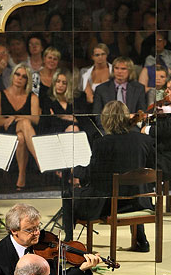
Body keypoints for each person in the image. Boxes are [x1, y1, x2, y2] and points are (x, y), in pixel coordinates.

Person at [62, 100, 155, 252]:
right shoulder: (144, 140)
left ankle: (69, 242)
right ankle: (141, 239)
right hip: (139, 201)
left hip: (109, 205)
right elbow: (150, 170)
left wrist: (76, 171)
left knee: (68, 194)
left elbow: (93, 176)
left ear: (106, 120)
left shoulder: (103, 143)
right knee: (133, 188)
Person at [0, 63, 40, 190]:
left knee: (21, 137)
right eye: (17, 74)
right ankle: (40, 159)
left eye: (24, 77)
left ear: (27, 80)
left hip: (23, 133)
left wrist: (16, 117)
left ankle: (21, 176)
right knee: (25, 123)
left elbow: (36, 119)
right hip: (6, 132)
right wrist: (18, 119)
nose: (19, 78)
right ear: (12, 76)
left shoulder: (32, 97)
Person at [39, 69, 79, 135]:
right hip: (53, 132)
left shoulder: (73, 101)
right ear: (54, 83)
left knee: (74, 129)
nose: (60, 85)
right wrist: (68, 118)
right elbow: (49, 121)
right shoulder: (47, 99)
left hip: (72, 130)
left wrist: (59, 116)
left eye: (64, 83)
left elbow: (79, 120)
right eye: (58, 81)